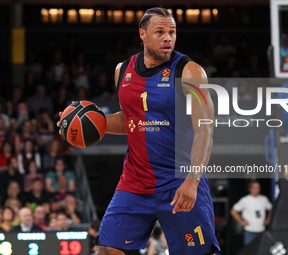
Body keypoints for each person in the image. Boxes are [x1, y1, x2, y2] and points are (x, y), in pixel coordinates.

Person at [58, 7, 219, 255]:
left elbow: (205, 130)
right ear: (142, 34)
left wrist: (192, 180)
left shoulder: (190, 72)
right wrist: (80, 122)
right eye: (160, 31)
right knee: (105, 249)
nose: (168, 37)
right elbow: (129, 120)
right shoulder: (122, 71)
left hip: (179, 181)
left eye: (172, 32)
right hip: (134, 181)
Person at [231, 180, 272, 246]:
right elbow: (233, 211)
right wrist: (241, 221)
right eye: (254, 188)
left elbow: (270, 209)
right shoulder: (245, 200)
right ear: (250, 189)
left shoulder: (264, 199)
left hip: (261, 230)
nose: (256, 190)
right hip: (250, 230)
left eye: (258, 188)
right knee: (249, 250)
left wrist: (268, 219)